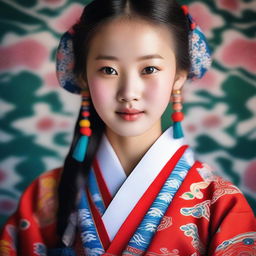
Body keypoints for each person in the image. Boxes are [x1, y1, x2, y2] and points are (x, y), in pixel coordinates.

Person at [0, 0, 255, 255]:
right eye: (108, 70)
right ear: (83, 77)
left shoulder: (220, 203)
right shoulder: (44, 198)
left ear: (179, 75)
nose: (129, 93)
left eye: (149, 69)